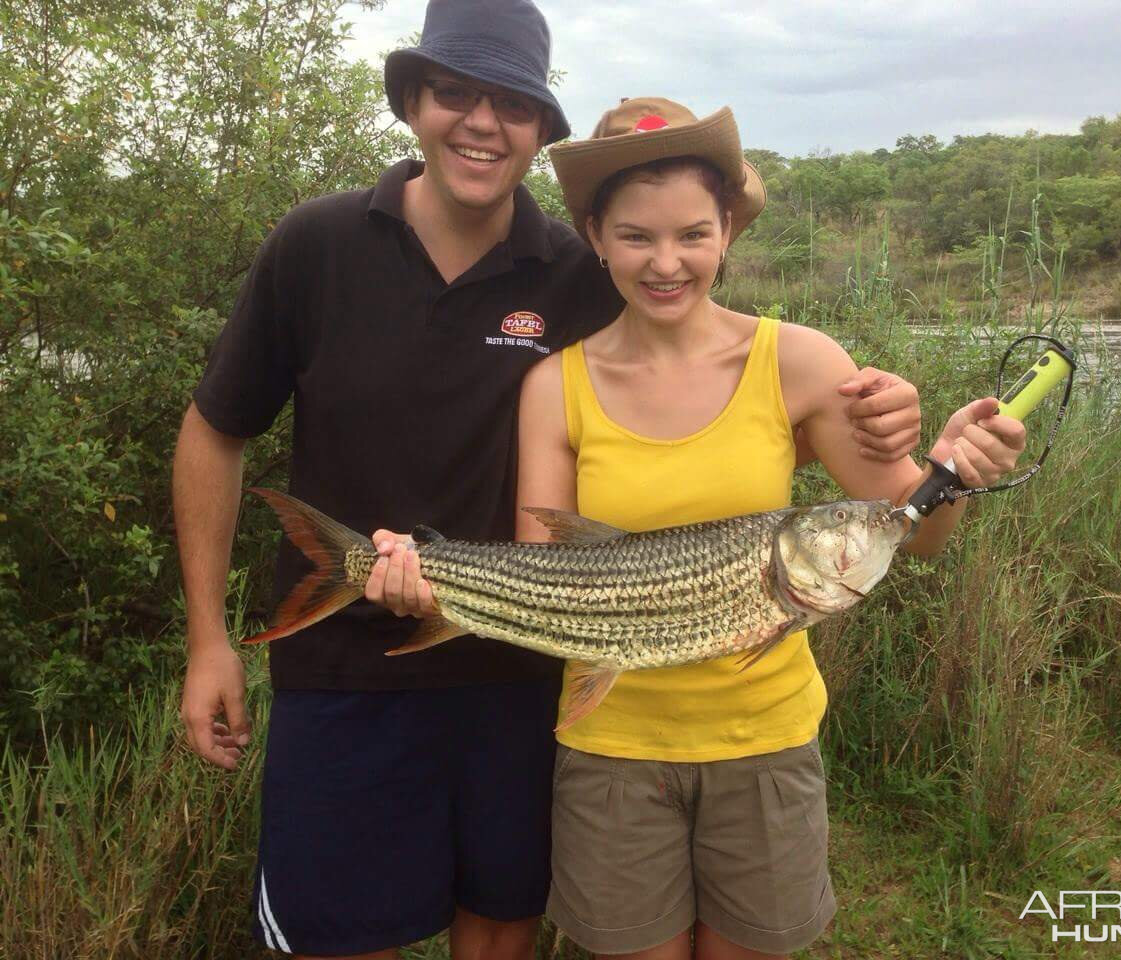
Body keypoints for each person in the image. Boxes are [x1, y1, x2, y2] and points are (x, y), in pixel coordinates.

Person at [173, 3, 923, 959]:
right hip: (346, 672)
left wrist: (876, 417)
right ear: (412, 101)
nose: (483, 123)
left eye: (515, 104)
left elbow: (703, 366)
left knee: (501, 930)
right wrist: (209, 639)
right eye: (455, 92)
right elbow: (214, 430)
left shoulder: (580, 270)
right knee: (335, 937)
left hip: (526, 676)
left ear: (542, 133)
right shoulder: (315, 246)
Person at [516, 99, 1027, 959]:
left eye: (693, 234)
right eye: (636, 237)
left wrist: (954, 469)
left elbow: (916, 532)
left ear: (727, 233)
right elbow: (543, 576)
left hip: (766, 745)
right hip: (609, 750)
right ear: (596, 236)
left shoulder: (800, 360)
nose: (667, 262)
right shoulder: (553, 386)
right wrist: (433, 585)